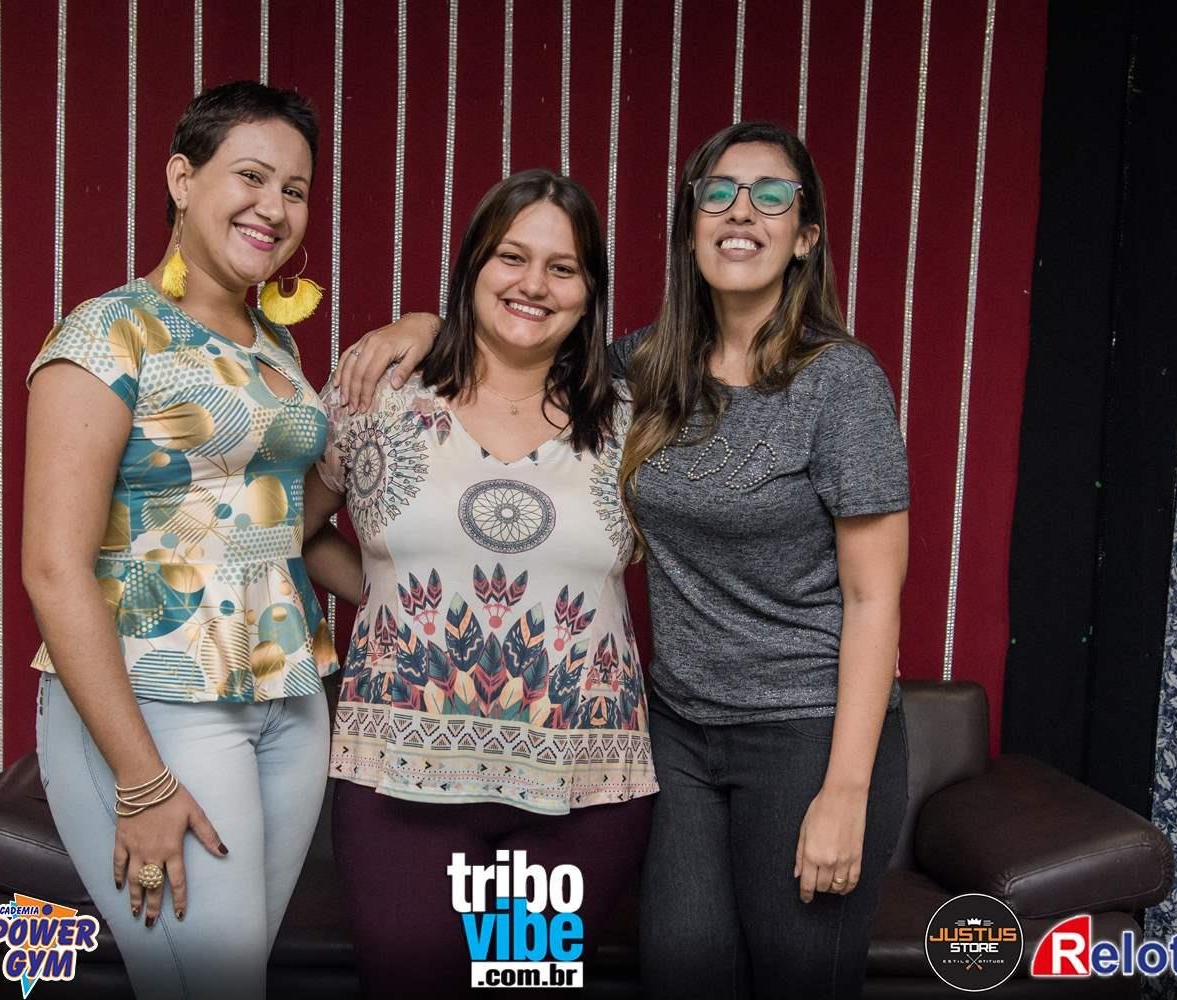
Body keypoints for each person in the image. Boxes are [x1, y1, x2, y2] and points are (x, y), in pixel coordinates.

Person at [338, 121, 910, 999]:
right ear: (690, 225)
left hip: (802, 728)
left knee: (797, 976)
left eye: (771, 195)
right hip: (678, 734)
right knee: (679, 971)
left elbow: (875, 600)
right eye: (718, 193)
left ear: (806, 236)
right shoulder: (642, 372)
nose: (741, 212)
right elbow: (521, 330)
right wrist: (427, 324)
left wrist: (846, 791)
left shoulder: (841, 383)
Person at [23, 81, 360, 999]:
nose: (274, 208)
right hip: (159, 701)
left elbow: (277, 527)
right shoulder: (108, 332)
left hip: (289, 695)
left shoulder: (275, 347)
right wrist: (140, 780)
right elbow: (51, 568)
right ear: (182, 178)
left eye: (295, 190)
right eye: (251, 176)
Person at [304, 169, 656, 998]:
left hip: (583, 793)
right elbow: (292, 529)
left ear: (589, 293)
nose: (534, 284)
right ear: (471, 267)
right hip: (398, 782)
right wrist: (394, 595)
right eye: (511, 257)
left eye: (563, 268)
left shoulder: (634, 424)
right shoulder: (378, 397)